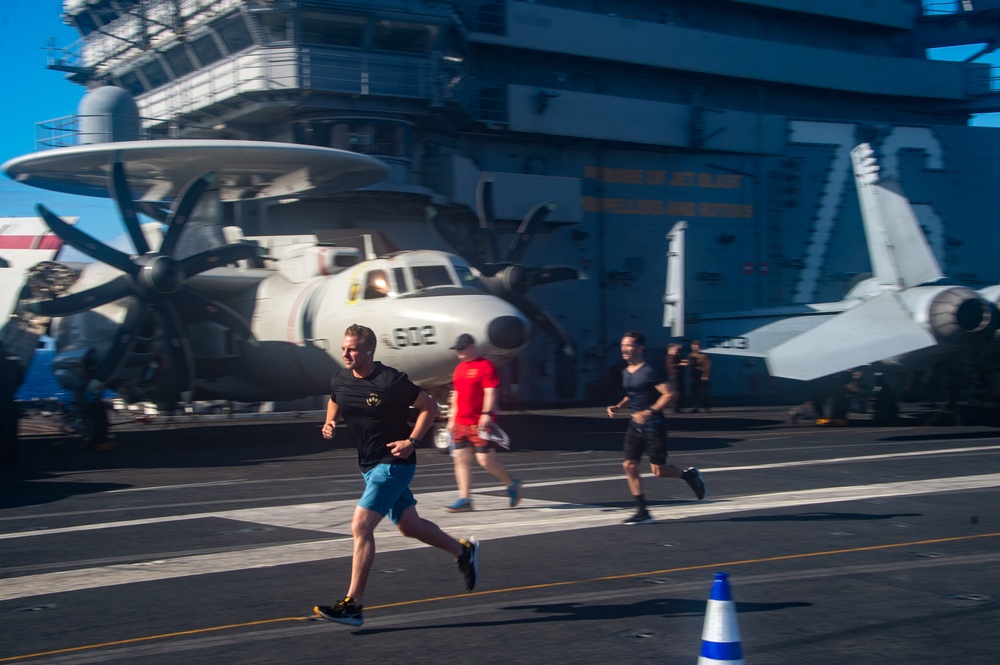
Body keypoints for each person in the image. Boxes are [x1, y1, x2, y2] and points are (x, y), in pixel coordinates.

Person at [314, 324, 479, 627]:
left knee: (361, 526)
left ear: (368, 351)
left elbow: (429, 406)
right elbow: (336, 398)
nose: (345, 353)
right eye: (343, 348)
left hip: (394, 463)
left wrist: (412, 440)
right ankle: (463, 551)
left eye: (351, 348)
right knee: (409, 525)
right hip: (368, 465)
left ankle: (354, 605)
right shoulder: (340, 378)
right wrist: (330, 422)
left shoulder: (391, 380)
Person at [607, 331, 707, 525]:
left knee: (659, 471)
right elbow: (633, 395)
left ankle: (689, 476)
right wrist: (618, 407)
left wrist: (650, 411)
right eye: (622, 346)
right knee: (629, 465)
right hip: (635, 425)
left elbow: (670, 394)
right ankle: (643, 511)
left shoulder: (650, 370)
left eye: (628, 345)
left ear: (640, 348)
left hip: (654, 426)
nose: (624, 349)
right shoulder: (626, 372)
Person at [444, 333, 522, 513]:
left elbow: (490, 392)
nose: (459, 353)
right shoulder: (459, 369)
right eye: (457, 350)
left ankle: (512, 483)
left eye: (462, 349)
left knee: (485, 460)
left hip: (478, 423)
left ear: (472, 347)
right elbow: (456, 395)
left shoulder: (485, 366)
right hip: (460, 423)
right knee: (460, 459)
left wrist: (486, 414)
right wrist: (451, 417)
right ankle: (465, 499)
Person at [0, 342, 24, 466]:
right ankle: (9, 458)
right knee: (9, 432)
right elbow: (20, 378)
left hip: (5, 399)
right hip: (8, 400)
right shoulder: (12, 361)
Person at [687, 339, 711, 412]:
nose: (694, 347)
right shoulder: (690, 355)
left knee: (704, 391)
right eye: (693, 346)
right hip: (694, 374)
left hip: (701, 373)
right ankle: (695, 406)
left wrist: (706, 374)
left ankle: (706, 406)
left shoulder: (704, 355)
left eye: (696, 346)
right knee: (694, 391)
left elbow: (707, 365)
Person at [665, 342, 688, 412]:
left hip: (676, 375)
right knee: (676, 390)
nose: (677, 351)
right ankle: (675, 407)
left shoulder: (675, 357)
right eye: (676, 350)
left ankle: (677, 406)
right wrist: (680, 364)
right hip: (674, 375)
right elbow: (670, 366)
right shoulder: (670, 357)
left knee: (678, 390)